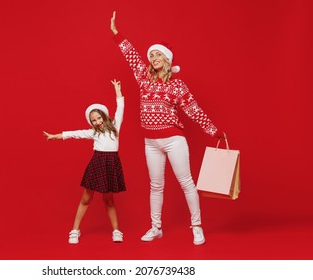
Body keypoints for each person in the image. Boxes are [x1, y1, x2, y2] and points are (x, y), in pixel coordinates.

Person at [110, 11, 226, 245]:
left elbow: (194, 109)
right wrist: (116, 34)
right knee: (156, 185)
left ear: (166, 58)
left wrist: (214, 131)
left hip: (174, 140)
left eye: (157, 54)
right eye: (151, 54)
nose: (153, 57)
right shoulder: (143, 77)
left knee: (186, 182)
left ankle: (197, 227)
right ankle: (156, 227)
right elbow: (131, 55)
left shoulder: (177, 85)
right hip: (150, 142)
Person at [43, 79, 126, 244]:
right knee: (86, 199)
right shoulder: (93, 133)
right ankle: (75, 231)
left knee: (109, 200)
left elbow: (120, 107)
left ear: (104, 116)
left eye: (99, 118)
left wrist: (117, 90)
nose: (97, 122)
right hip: (97, 163)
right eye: (93, 121)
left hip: (111, 163)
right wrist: (55, 136)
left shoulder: (115, 126)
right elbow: (75, 133)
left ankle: (116, 231)